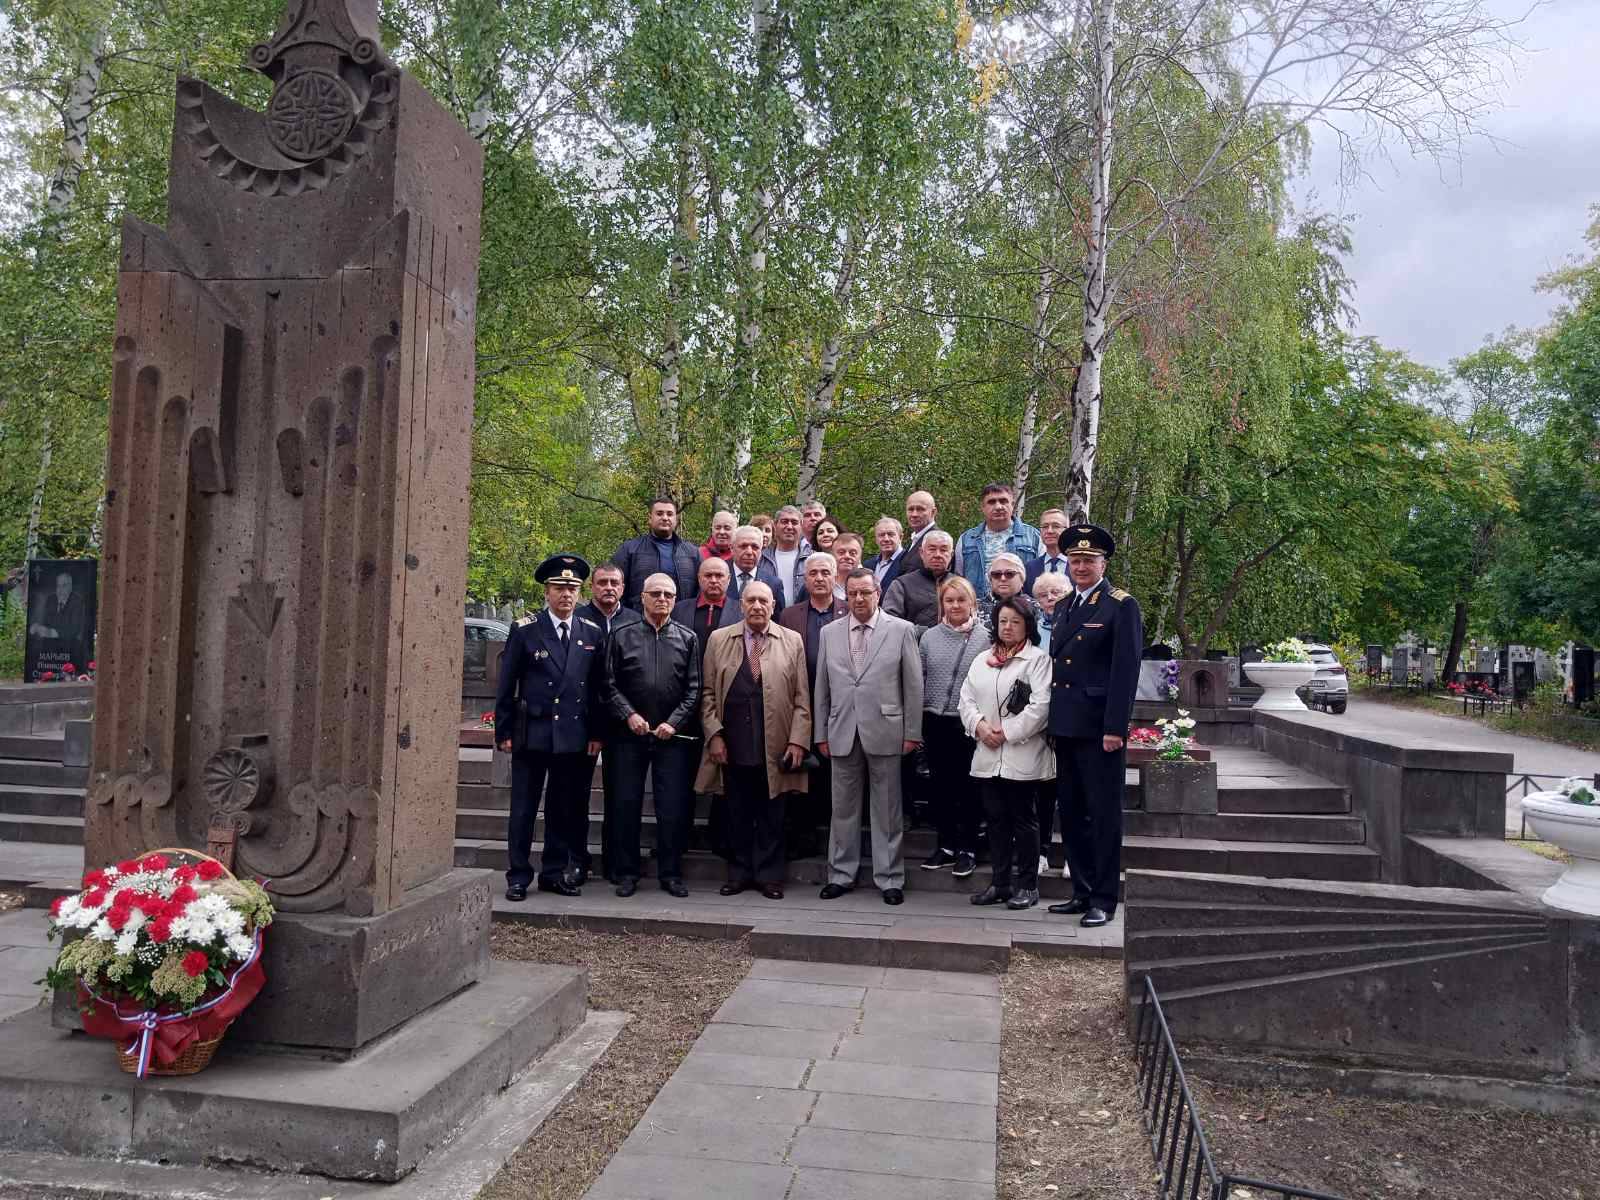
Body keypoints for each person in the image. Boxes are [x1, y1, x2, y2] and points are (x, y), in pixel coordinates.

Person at [494, 555, 606, 901]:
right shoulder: (525, 629)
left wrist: (596, 733)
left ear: (580, 592)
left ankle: (553, 873)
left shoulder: (591, 632)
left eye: (572, 588)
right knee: (523, 809)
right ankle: (518, 875)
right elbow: (507, 685)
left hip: (572, 736)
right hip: (533, 733)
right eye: (559, 588)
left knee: (562, 809)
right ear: (547, 591)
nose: (566, 595)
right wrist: (504, 732)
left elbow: (598, 689)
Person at [1047, 524, 1142, 928]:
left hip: (1099, 729)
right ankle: (1081, 891)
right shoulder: (1065, 605)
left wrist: (1115, 728)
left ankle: (1104, 898)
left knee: (1103, 816)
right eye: (1075, 560)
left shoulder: (1120, 606)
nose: (1081, 567)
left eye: (1089, 560)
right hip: (1066, 726)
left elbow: (1125, 672)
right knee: (1072, 813)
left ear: (1103, 563)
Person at [814, 568, 923, 905]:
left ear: (878, 593)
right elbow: (822, 687)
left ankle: (889, 878)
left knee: (887, 807)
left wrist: (912, 732)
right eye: (853, 593)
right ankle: (840, 875)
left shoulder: (901, 630)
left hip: (887, 729)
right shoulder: (829, 632)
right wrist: (821, 732)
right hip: (842, 730)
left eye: (865, 592)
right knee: (842, 808)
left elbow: (913, 685)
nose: (859, 599)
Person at [697, 581, 810, 899]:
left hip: (776, 742)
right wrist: (714, 734)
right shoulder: (719, 639)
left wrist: (798, 740)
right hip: (732, 742)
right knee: (736, 811)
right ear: (741, 605)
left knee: (773, 813)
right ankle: (739, 873)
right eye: (751, 600)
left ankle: (770, 877)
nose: (757, 606)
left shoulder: (792, 640)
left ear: (773, 605)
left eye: (763, 600)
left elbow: (802, 697)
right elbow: (707, 693)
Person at [603, 572, 702, 898]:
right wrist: (629, 714)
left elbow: (694, 688)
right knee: (625, 804)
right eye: (655, 593)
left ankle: (670, 873)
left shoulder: (688, 638)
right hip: (628, 736)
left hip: (671, 738)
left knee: (671, 808)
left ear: (675, 600)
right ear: (642, 597)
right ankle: (626, 873)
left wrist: (674, 722)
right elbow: (608, 684)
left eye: (668, 595)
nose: (662, 599)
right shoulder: (621, 635)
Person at [960, 593, 1053, 911]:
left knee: (1024, 821)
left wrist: (1006, 733)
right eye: (1003, 621)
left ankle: (1027, 885)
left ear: (1027, 625)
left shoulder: (1037, 660)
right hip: (987, 751)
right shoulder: (982, 660)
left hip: (1021, 751)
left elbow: (1041, 706)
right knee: (996, 820)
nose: (1008, 627)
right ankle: (999, 883)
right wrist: (980, 727)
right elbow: (966, 700)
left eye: (1015, 621)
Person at [917, 576, 987, 877]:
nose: (955, 605)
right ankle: (945, 845)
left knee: (969, 787)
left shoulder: (986, 638)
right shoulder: (929, 637)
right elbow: (920, 676)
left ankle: (968, 848)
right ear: (942, 603)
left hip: (969, 722)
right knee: (940, 786)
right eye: (949, 600)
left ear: (972, 603)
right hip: (935, 719)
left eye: (961, 600)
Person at [778, 552, 846, 858]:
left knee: (836, 773)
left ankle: (837, 840)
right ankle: (803, 838)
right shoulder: (789, 615)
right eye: (813, 573)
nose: (819, 578)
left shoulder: (849, 610)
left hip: (840, 706)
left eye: (825, 572)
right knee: (803, 774)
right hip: (800, 704)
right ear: (805, 579)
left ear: (835, 576)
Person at [1028, 570, 1072, 878]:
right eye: (1044, 594)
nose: (1050, 598)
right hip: (1037, 718)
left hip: (1070, 716)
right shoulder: (1032, 630)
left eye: (1056, 592)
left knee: (1071, 791)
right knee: (1042, 791)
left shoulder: (1076, 623)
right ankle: (1040, 851)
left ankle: (1072, 855)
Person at [612, 497, 701, 610]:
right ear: (650, 518)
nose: (665, 518)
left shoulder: (692, 553)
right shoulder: (630, 549)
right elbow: (615, 585)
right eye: (659, 513)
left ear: (676, 519)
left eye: (669, 514)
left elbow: (701, 590)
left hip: (681, 618)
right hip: (639, 617)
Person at [957, 483, 1042, 601]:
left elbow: (1042, 577)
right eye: (991, 502)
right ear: (982, 507)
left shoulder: (1034, 537)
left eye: (1003, 501)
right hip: (977, 608)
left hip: (1021, 608)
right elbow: (958, 580)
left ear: (1012, 505)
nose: (998, 506)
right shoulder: (967, 539)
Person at [882, 529, 955, 632]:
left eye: (943, 550)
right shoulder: (902, 585)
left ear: (951, 554)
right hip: (913, 641)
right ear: (921, 553)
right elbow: (889, 622)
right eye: (932, 549)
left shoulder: (960, 585)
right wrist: (923, 633)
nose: (937, 555)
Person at [673, 556, 740, 655]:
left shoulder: (741, 611)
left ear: (729, 579)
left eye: (719, 576)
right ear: (699, 578)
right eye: (708, 576)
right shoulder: (679, 609)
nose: (713, 580)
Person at [727, 524, 786, 615]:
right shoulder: (716, 576)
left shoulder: (773, 584)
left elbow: (777, 620)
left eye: (755, 547)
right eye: (743, 546)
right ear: (731, 548)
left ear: (761, 550)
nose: (749, 552)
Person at [761, 505, 811, 608]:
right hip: (769, 615)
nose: (789, 527)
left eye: (794, 522)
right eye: (784, 522)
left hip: (802, 615)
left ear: (801, 526)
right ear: (775, 525)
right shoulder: (761, 558)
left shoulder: (811, 559)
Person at [576, 563, 641, 639]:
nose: (609, 588)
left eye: (614, 583)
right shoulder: (576, 619)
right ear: (592, 587)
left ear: (622, 588)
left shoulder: (637, 621)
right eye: (602, 583)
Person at [979, 552, 1028, 634]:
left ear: (1022, 578)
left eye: (1009, 574)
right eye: (996, 574)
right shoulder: (975, 608)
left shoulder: (1036, 608)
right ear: (990, 580)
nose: (1003, 578)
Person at [1024, 509, 1071, 594]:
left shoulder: (1077, 565)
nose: (1049, 531)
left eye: (1056, 526)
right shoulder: (1029, 568)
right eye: (1045, 527)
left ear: (1066, 530)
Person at [899, 490, 941, 576]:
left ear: (933, 512)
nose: (914, 514)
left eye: (920, 509)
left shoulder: (938, 540)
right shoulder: (915, 539)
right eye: (910, 509)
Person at [865, 517, 906, 589]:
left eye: (890, 534)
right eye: (881, 535)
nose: (886, 539)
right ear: (876, 539)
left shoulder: (908, 561)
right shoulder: (868, 565)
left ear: (900, 537)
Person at [830, 530, 865, 597]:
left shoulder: (870, 583)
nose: (847, 556)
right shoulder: (823, 582)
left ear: (860, 556)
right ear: (832, 555)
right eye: (841, 552)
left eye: (852, 553)